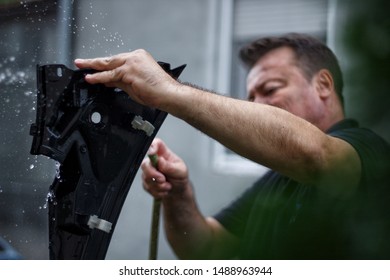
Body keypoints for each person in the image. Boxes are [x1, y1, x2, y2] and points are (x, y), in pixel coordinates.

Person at [74, 33, 390, 259]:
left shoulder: (368, 151)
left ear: (323, 85)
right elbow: (206, 250)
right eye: (252, 97)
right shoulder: (278, 181)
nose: (258, 104)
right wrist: (178, 194)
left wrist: (170, 92)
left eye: (270, 89)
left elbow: (318, 158)